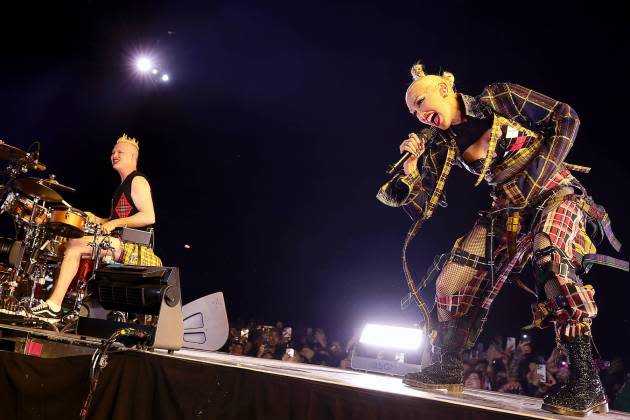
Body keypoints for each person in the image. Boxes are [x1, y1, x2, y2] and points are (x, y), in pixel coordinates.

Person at [377, 63, 628, 416]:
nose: (420, 114)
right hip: (508, 210)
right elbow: (408, 198)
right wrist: (412, 169)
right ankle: (448, 367)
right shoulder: (441, 142)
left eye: (421, 102)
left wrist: (537, 177)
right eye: (413, 111)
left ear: (446, 90)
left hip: (555, 193)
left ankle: (586, 382)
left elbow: (566, 117)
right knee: (452, 281)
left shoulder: (500, 97)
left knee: (550, 258)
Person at [31, 134, 162, 322]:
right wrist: (100, 219)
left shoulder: (137, 181)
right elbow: (117, 218)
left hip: (133, 247)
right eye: (113, 152)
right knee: (70, 245)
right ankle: (56, 303)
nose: (114, 155)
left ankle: (54, 306)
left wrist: (114, 223)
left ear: (133, 157)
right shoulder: (121, 187)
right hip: (118, 242)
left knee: (75, 245)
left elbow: (149, 216)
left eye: (120, 152)